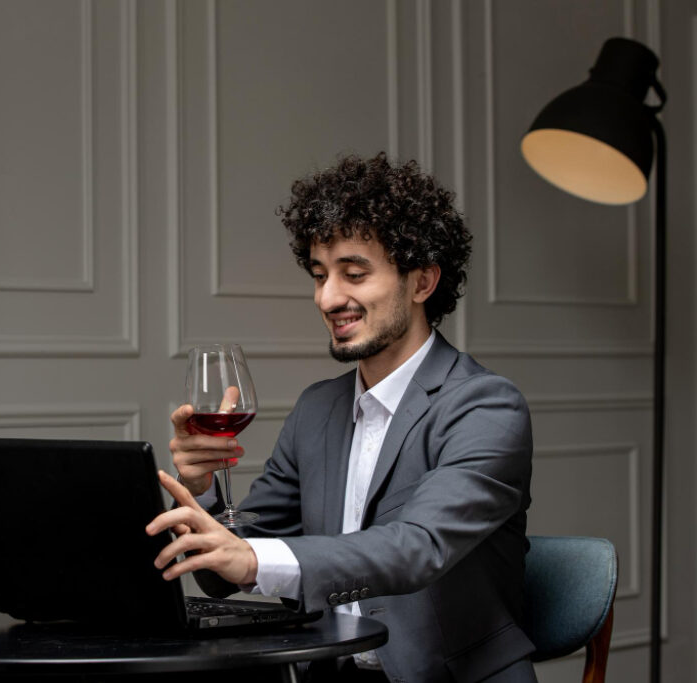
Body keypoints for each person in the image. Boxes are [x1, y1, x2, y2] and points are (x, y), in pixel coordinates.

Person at [147, 152, 536, 682]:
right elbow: (229, 569)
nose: (328, 298)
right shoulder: (317, 409)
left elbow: (417, 546)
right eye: (319, 275)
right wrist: (203, 488)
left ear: (422, 282)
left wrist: (256, 561)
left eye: (353, 273)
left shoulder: (486, 405)